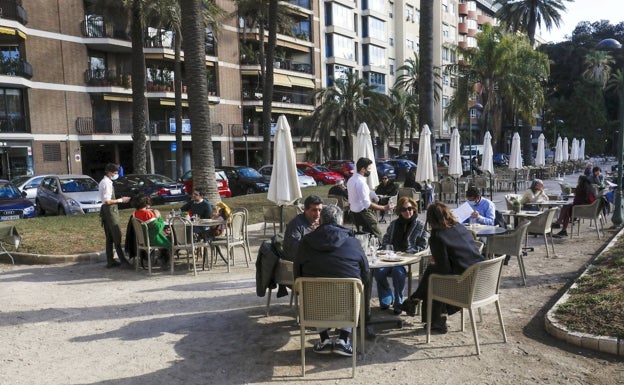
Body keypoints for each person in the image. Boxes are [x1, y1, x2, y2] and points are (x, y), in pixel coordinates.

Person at [294, 205, 369, 356]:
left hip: (315, 307)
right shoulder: (353, 242)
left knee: (311, 288)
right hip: (346, 304)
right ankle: (343, 339)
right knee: (356, 288)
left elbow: (297, 273)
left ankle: (324, 339)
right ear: (341, 221)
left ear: (320, 221)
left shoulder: (306, 242)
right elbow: (365, 272)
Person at [401, 202, 484, 333]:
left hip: (464, 285)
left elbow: (444, 269)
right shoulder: (460, 228)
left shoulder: (437, 236)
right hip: (481, 278)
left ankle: (423, 307)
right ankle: (417, 302)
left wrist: (437, 260)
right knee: (431, 271)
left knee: (433, 279)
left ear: (431, 219)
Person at [375, 196, 429, 314]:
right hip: (390, 258)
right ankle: (387, 296)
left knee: (397, 272)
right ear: (399, 211)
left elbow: (423, 246)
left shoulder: (420, 225)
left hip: (408, 261)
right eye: (404, 210)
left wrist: (406, 254)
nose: (407, 212)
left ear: (414, 209)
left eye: (409, 208)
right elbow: (386, 240)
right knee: (378, 272)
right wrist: (389, 251)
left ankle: (398, 300)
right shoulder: (394, 224)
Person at [347, 157, 391, 240]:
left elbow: (357, 195)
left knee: (363, 236)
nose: (370, 171)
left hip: (353, 211)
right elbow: (367, 204)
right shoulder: (360, 182)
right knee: (377, 236)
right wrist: (384, 208)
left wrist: (373, 195)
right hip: (363, 212)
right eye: (369, 169)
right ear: (363, 169)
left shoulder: (351, 180)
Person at [98, 163, 132, 268]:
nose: (116, 175)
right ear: (110, 172)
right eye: (115, 173)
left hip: (106, 210)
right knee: (116, 235)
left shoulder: (103, 182)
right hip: (110, 211)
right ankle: (122, 260)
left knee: (109, 237)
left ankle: (110, 260)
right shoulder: (107, 183)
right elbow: (107, 201)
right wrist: (121, 200)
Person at [132, 193, 171, 266]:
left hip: (143, 239)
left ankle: (153, 259)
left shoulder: (135, 213)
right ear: (146, 203)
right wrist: (159, 217)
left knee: (167, 237)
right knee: (171, 239)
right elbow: (158, 228)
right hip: (152, 239)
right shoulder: (147, 214)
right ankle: (164, 261)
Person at [283, 195, 323, 260]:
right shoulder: (296, 224)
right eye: (314, 210)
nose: (318, 214)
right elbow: (294, 250)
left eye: (320, 210)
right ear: (305, 210)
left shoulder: (321, 221)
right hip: (297, 262)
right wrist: (312, 236)